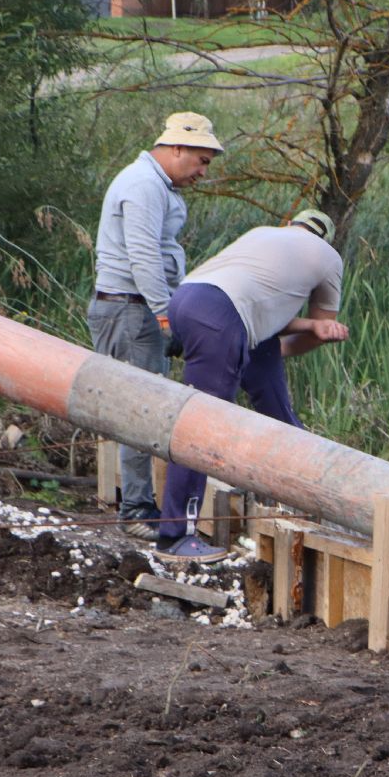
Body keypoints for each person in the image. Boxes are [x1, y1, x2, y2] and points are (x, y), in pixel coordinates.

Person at [153, 209, 347, 563]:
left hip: (188, 300)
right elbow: (323, 327)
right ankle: (175, 536)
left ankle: (303, 486)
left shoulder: (264, 234)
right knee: (202, 426)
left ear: (292, 225)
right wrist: (305, 336)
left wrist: (267, 344)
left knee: (276, 408)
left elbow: (259, 309)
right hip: (223, 318)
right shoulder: (328, 258)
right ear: (325, 238)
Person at [89, 112, 223, 540]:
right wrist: (167, 314)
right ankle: (136, 510)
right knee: (139, 411)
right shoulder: (144, 185)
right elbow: (143, 256)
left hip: (134, 309)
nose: (203, 172)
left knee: (141, 409)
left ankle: (138, 502)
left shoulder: (152, 185)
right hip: (131, 311)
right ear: (177, 148)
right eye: (201, 160)